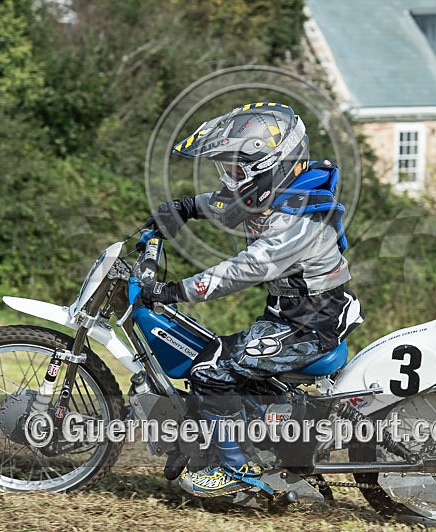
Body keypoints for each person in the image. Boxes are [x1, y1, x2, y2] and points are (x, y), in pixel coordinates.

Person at [140, 102, 363, 497]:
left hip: (310, 323)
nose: (228, 179)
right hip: (292, 314)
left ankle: (236, 470)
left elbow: (245, 268)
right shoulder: (279, 193)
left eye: (235, 170)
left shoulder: (298, 219)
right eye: (224, 169)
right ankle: (233, 443)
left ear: (270, 165)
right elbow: (229, 205)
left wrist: (176, 291)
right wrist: (186, 207)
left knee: (211, 370)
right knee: (218, 356)